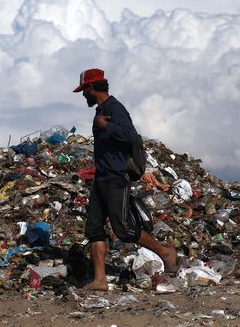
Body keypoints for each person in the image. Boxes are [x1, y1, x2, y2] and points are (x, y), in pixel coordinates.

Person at [73, 68, 178, 291]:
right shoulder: (101, 109)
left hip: (116, 178)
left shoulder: (115, 108)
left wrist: (106, 126)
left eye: (84, 90)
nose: (83, 95)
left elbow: (130, 135)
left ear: (92, 88)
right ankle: (100, 280)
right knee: (94, 228)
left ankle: (166, 252)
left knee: (123, 229)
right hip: (102, 177)